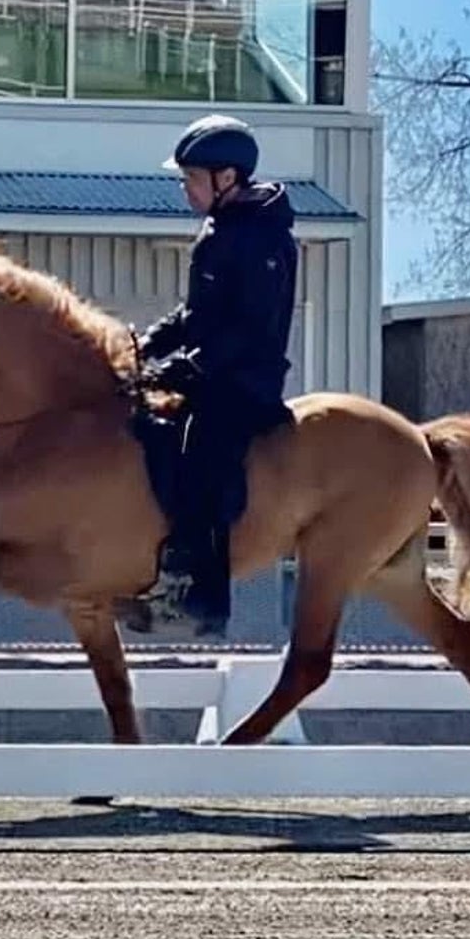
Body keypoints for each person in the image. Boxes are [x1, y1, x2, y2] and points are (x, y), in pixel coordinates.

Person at [135, 114, 298, 637]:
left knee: (200, 454)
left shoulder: (262, 239)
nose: (185, 189)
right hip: (211, 370)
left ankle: (205, 601)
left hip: (245, 381)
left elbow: (248, 327)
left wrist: (188, 366)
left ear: (226, 177)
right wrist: (145, 346)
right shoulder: (219, 229)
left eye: (191, 178)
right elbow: (196, 315)